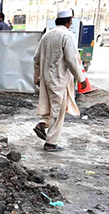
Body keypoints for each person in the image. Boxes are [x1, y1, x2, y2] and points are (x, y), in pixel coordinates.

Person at [33, 8, 87, 152]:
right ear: (69, 21)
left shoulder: (47, 35)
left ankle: (42, 123)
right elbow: (71, 59)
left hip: (46, 78)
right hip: (59, 78)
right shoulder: (67, 36)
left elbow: (36, 58)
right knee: (58, 110)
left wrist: (37, 77)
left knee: (50, 107)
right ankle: (51, 143)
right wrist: (81, 78)